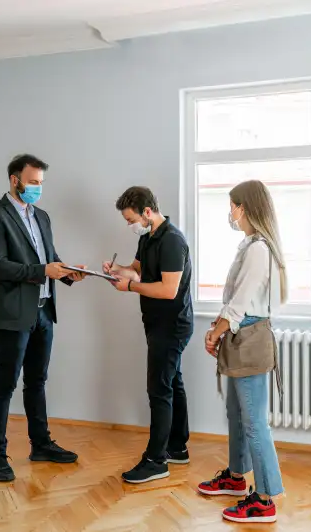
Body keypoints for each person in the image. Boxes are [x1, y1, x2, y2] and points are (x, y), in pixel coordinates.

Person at [0, 153, 86, 482]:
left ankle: (41, 444)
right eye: (34, 182)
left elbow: (50, 258)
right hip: (12, 315)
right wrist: (43, 270)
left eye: (41, 183)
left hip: (43, 313)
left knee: (37, 382)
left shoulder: (42, 216)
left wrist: (68, 274)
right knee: (5, 385)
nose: (38, 189)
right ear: (15, 180)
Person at [197, 180, 287, 524]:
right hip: (240, 335)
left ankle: (265, 499)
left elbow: (239, 304)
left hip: (249, 338)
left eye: (232, 205)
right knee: (236, 414)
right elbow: (234, 300)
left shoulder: (259, 249)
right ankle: (237, 477)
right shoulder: (249, 245)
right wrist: (218, 330)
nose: (230, 212)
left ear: (244, 207)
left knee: (254, 424)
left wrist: (216, 332)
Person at [103, 186, 194, 484]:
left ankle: (156, 461)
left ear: (147, 212)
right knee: (172, 382)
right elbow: (138, 271)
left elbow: (168, 290)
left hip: (172, 325)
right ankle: (177, 447)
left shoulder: (173, 241)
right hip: (155, 323)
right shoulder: (149, 237)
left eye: (130, 220)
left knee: (159, 389)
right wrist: (118, 270)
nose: (129, 226)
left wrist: (129, 287)